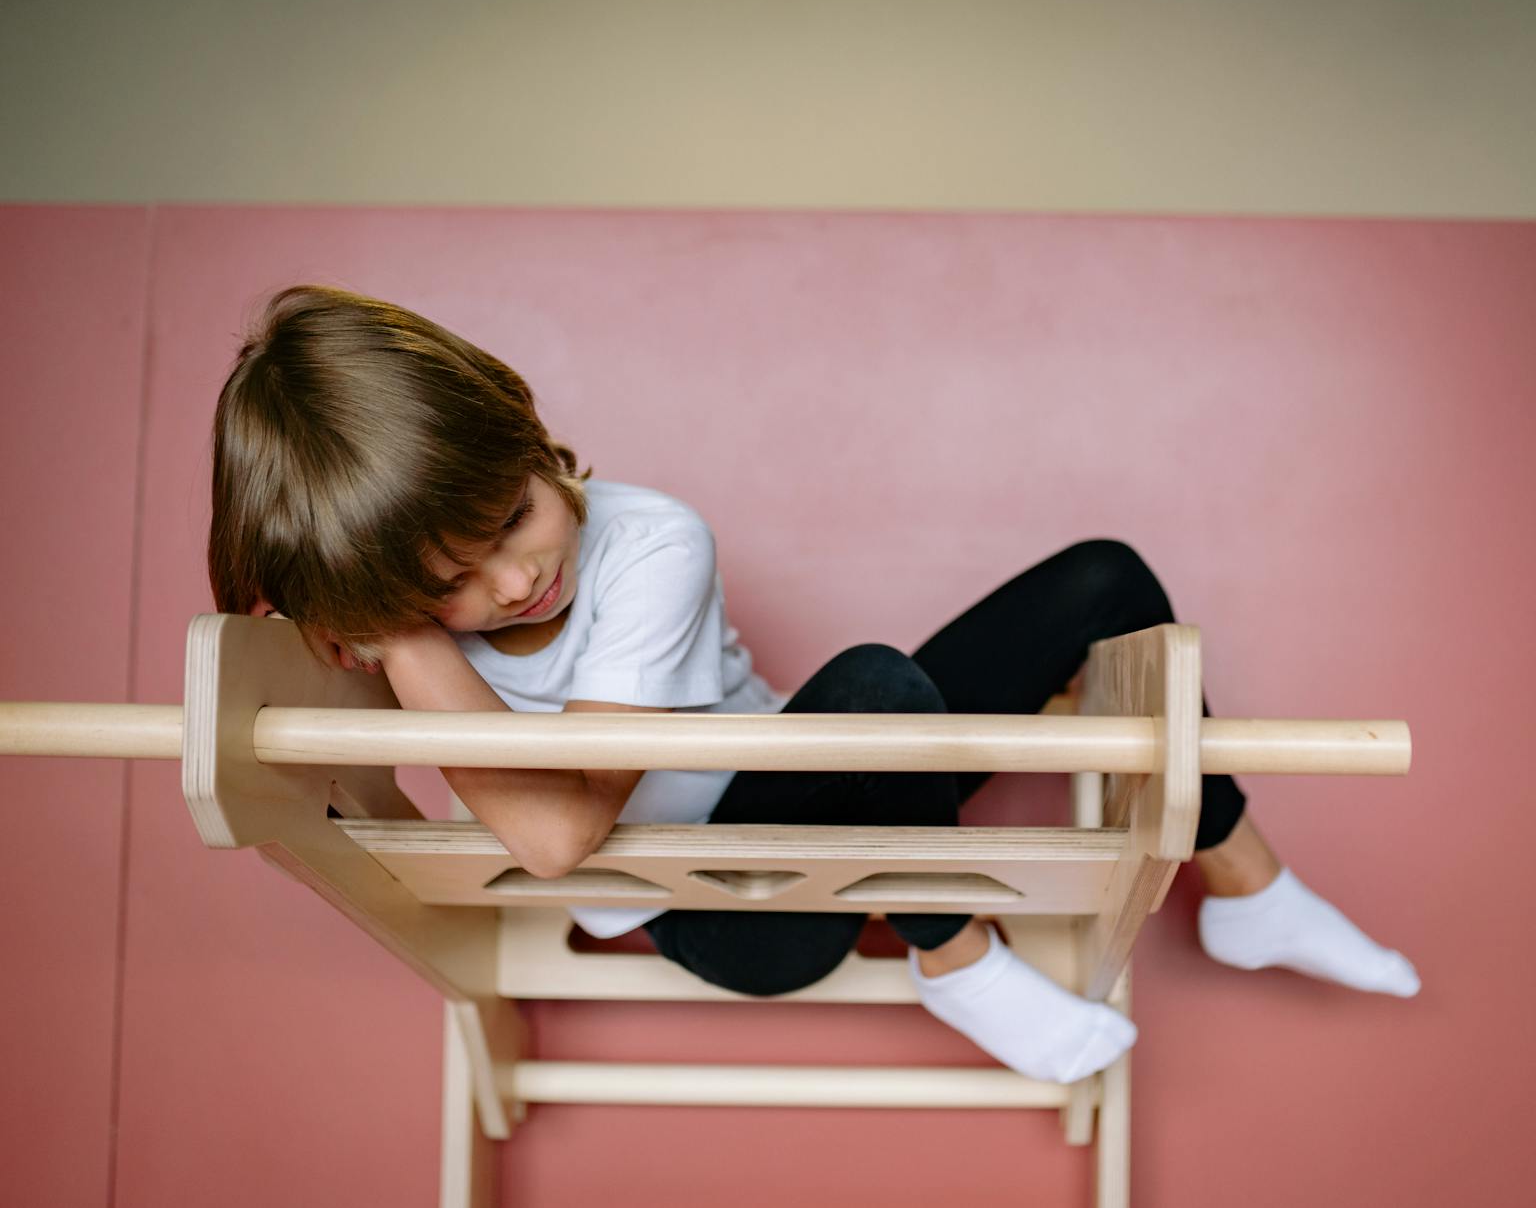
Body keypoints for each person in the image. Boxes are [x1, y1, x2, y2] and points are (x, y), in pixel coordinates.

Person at [208, 284, 1420, 1087]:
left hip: (834, 783)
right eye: (452, 585)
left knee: (1100, 582)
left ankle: (1246, 886)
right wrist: (396, 622)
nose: (519, 577)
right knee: (876, 692)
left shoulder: (648, 541)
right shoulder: (415, 610)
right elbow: (566, 845)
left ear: (526, 428)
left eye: (513, 516)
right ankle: (960, 955)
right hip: (736, 916)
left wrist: (410, 630)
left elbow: (557, 824)